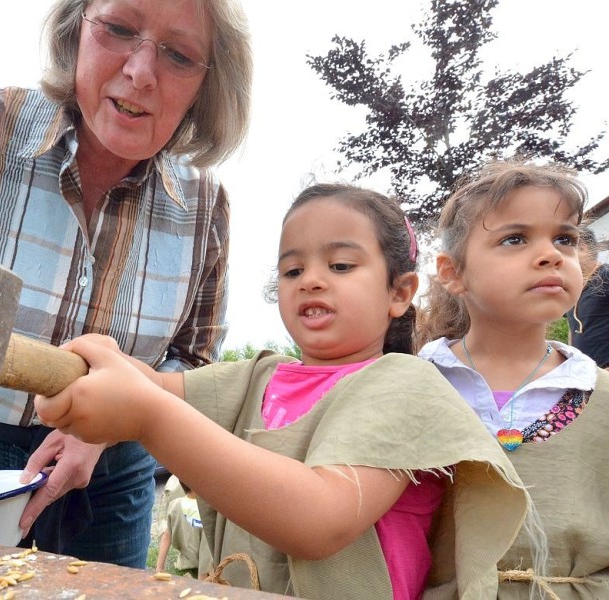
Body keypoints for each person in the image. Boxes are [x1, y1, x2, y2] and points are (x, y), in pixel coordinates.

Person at [0, 0, 253, 568]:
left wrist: (110, 424)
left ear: (209, 84)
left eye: (179, 55)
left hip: (112, 470)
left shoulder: (207, 204)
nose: (140, 72)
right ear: (75, 29)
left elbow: (196, 360)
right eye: (120, 29)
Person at [34, 182, 537, 599]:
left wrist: (147, 417)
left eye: (340, 266)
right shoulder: (259, 376)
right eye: (293, 270)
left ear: (399, 293)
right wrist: (92, 361)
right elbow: (156, 386)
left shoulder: (405, 385)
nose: (311, 280)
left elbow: (319, 521)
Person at [418, 161, 609, 597]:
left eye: (564, 238)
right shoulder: (415, 385)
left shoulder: (601, 396)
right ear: (452, 273)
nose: (551, 254)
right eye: (515, 239)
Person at [565, 226, 609, 368]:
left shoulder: (606, 275)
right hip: (584, 374)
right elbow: (572, 327)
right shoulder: (574, 286)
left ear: (582, 248)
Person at [155, 478, 210, 578]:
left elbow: (167, 536)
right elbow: (205, 550)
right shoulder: (206, 509)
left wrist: (159, 567)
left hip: (187, 557)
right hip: (205, 563)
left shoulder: (174, 505)